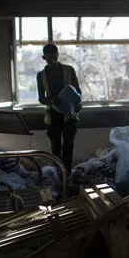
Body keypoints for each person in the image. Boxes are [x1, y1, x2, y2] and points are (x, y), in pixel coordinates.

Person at [37, 43, 82, 176]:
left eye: (54, 56)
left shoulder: (69, 70)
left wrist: (78, 102)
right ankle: (59, 175)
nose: (52, 59)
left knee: (68, 146)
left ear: (57, 55)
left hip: (70, 114)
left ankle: (67, 175)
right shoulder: (41, 75)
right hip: (53, 116)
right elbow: (41, 99)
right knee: (56, 147)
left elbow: (77, 90)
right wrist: (51, 100)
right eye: (48, 57)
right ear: (43, 57)